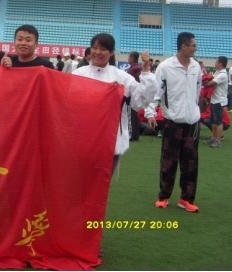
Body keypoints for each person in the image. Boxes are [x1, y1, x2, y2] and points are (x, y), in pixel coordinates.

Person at [73, 33, 156, 171]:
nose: (98, 52)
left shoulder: (122, 77)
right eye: (94, 48)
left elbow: (140, 101)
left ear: (111, 52)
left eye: (103, 49)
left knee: (102, 181)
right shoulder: (78, 74)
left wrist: (146, 72)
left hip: (111, 141)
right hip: (82, 138)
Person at [150, 32, 202, 213]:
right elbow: (156, 91)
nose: (195, 48)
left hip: (192, 122)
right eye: (193, 45)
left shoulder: (196, 66)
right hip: (173, 121)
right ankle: (163, 196)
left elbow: (198, 90)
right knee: (169, 161)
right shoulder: (165, 67)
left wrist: (195, 110)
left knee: (191, 162)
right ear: (183, 46)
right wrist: (150, 112)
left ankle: (186, 199)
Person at [203, 56, 229, 148]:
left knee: (218, 122)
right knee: (213, 121)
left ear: (220, 64)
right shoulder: (218, 72)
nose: (215, 63)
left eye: (216, 62)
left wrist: (204, 81)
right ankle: (213, 138)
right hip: (214, 100)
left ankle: (218, 140)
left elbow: (210, 83)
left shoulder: (222, 75)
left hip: (219, 101)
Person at [127, 51, 143, 141]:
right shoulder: (136, 67)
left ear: (132, 58)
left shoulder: (135, 68)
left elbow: (136, 81)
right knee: (134, 114)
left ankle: (132, 134)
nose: (128, 59)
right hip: (135, 93)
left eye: (129, 57)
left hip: (133, 94)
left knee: (132, 115)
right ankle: (135, 134)